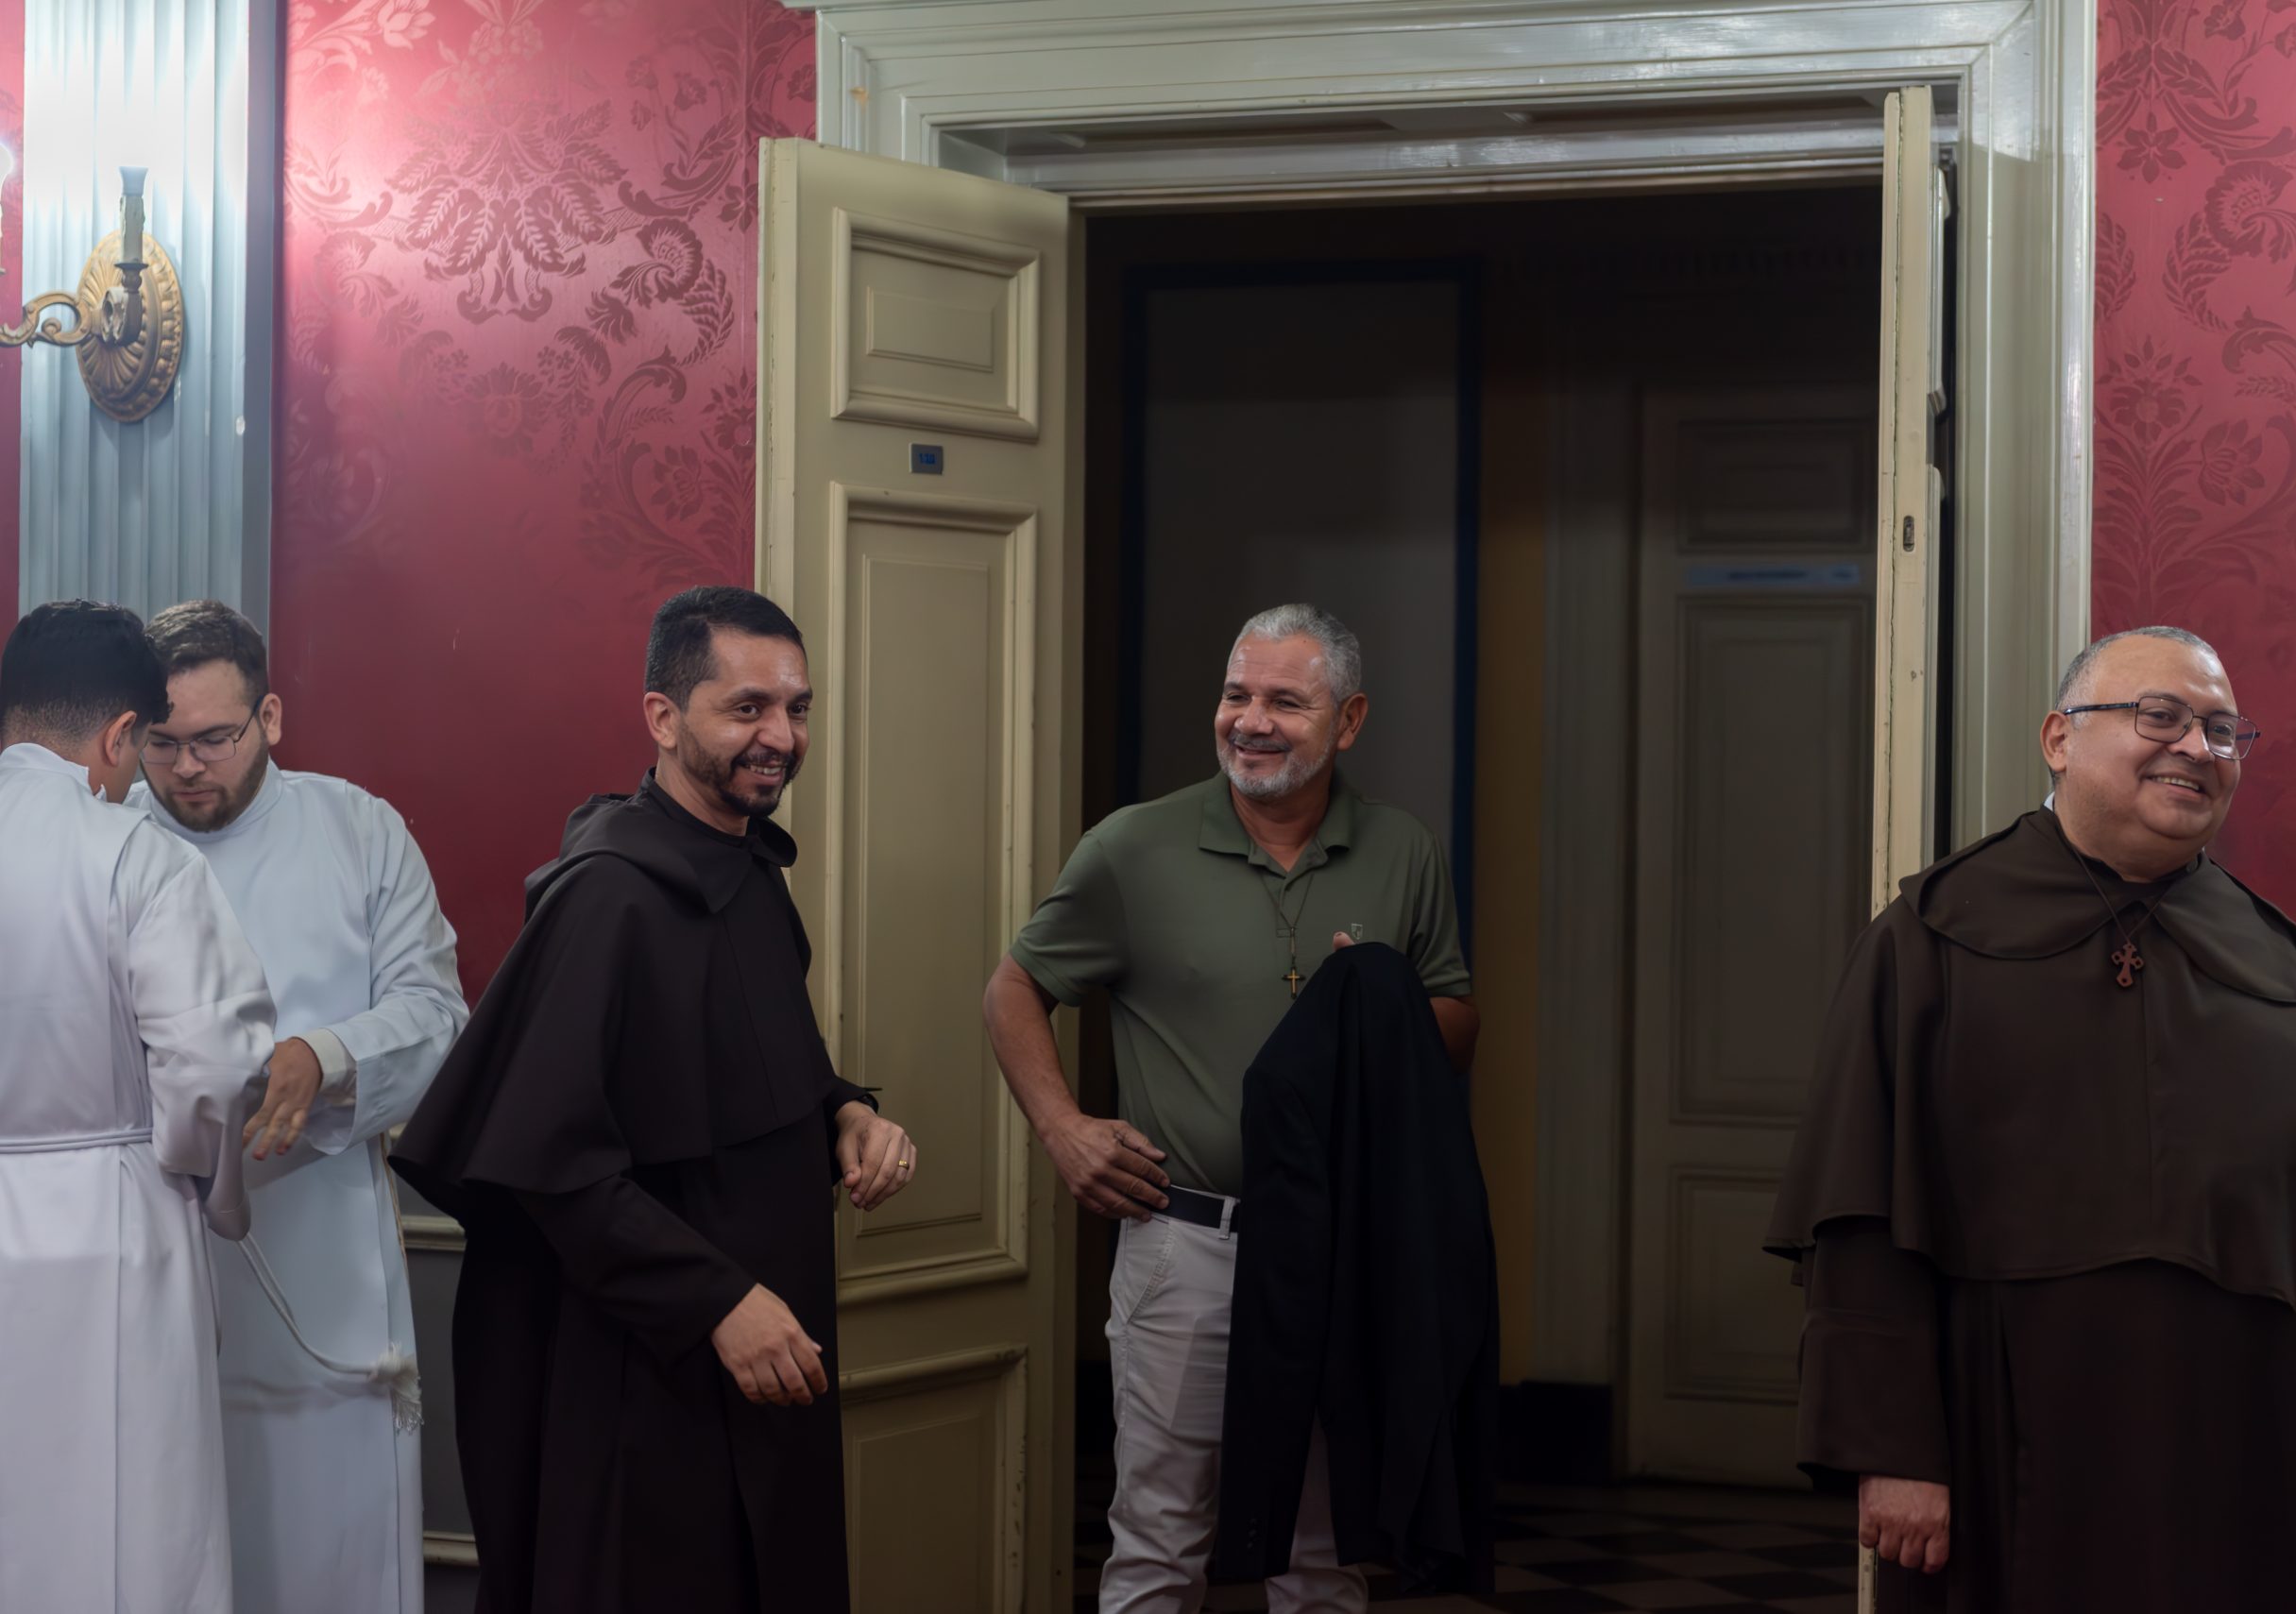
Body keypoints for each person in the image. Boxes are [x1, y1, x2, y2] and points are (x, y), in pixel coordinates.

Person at [1768, 625, 2296, 1612]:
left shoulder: (2280, 963)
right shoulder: (1928, 938)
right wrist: (1891, 1451)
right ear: (2059, 738)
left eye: (2222, 729)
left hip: (2257, 1454)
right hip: (2010, 1444)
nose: (2196, 746)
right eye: (2160, 715)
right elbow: (1859, 1223)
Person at [393, 586, 918, 1613]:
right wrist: (715, 1299)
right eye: (747, 707)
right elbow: (548, 1161)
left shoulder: (749, 869)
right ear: (663, 717)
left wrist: (847, 1112)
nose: (781, 737)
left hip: (765, 1347)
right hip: (645, 1370)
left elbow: (763, 1068)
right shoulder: (608, 897)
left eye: (797, 708)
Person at [984, 603, 1480, 1612]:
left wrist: (1375, 1004)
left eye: (1284, 701)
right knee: (1161, 1539)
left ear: (1349, 720)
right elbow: (1013, 987)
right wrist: (1063, 1128)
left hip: (1342, 1247)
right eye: (1235, 694)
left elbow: (1455, 1014)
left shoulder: (1403, 848)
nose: (1249, 721)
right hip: (1191, 1244)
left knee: (1324, 1550)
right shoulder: (1133, 845)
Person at [131, 600, 468, 1614]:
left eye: (215, 738)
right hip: (152, 1248)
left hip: (323, 1256)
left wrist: (326, 1056)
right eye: (163, 743)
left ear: (270, 717)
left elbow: (436, 1012)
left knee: (327, 1553)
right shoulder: (110, 843)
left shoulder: (359, 829)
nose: (188, 767)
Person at [0, 600, 278, 1614]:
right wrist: (212, 1190)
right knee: (130, 1524)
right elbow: (213, 1067)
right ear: (121, 733)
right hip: (115, 1221)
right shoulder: (139, 854)